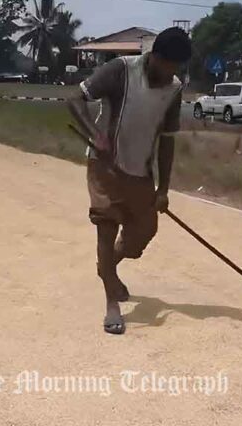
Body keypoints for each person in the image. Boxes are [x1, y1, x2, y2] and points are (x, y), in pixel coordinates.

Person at [68, 27, 193, 335]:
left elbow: (167, 141)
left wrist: (163, 189)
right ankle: (112, 303)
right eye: (168, 66)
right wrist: (96, 135)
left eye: (177, 68)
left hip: (141, 173)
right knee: (106, 228)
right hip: (105, 166)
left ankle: (107, 267)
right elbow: (75, 99)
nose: (170, 74)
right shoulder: (121, 70)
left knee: (143, 232)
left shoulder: (174, 89)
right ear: (154, 57)